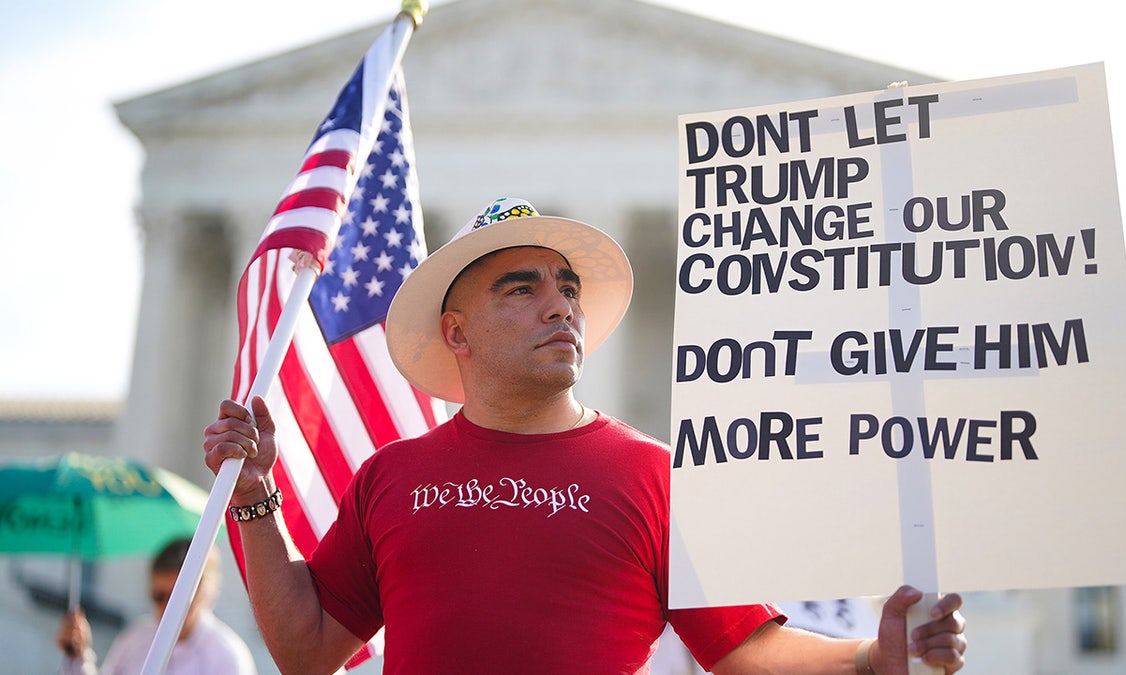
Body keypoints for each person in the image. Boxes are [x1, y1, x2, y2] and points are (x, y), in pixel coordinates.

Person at [204, 197, 967, 674]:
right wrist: (254, 497)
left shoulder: (656, 472)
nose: (561, 304)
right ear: (456, 332)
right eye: (523, 287)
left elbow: (744, 651)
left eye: (567, 287)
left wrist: (872, 660)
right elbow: (306, 653)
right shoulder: (389, 476)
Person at [56, 537, 258, 675]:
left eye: (179, 597)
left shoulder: (227, 656)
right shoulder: (135, 638)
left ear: (207, 593)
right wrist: (77, 657)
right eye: (160, 596)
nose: (169, 607)